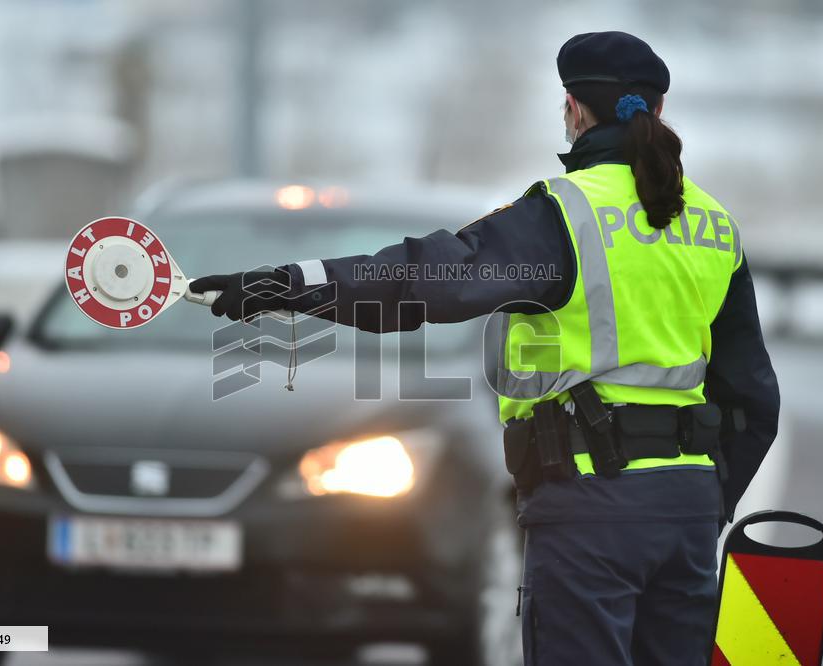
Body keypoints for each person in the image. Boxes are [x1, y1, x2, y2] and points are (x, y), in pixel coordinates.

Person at [191, 31, 779, 666]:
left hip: (590, 510)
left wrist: (287, 285)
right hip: (687, 510)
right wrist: (707, 501)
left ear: (574, 109)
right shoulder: (714, 223)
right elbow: (753, 397)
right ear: (658, 112)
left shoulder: (563, 215)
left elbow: (420, 280)